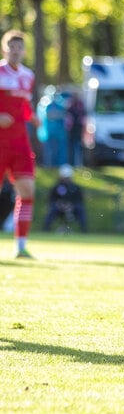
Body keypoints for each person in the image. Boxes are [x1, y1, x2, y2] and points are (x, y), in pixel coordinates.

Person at [0, 30, 38, 259]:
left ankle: (21, 246)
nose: (16, 51)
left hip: (19, 141)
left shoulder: (28, 75)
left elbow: (24, 106)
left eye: (19, 47)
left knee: (28, 191)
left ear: (24, 51)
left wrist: (31, 116)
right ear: (5, 49)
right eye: (11, 46)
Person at [42, 164, 87, 233]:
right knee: (52, 209)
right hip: (59, 208)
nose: (66, 179)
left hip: (73, 208)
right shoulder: (56, 187)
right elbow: (51, 199)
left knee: (80, 209)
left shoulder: (76, 188)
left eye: (68, 177)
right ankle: (46, 229)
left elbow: (79, 199)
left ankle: (84, 230)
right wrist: (59, 204)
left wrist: (71, 205)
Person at [65, 92, 86, 166]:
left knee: (76, 148)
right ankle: (73, 164)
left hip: (77, 131)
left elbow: (83, 120)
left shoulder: (77, 107)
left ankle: (77, 164)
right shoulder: (72, 107)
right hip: (73, 131)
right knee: (73, 149)